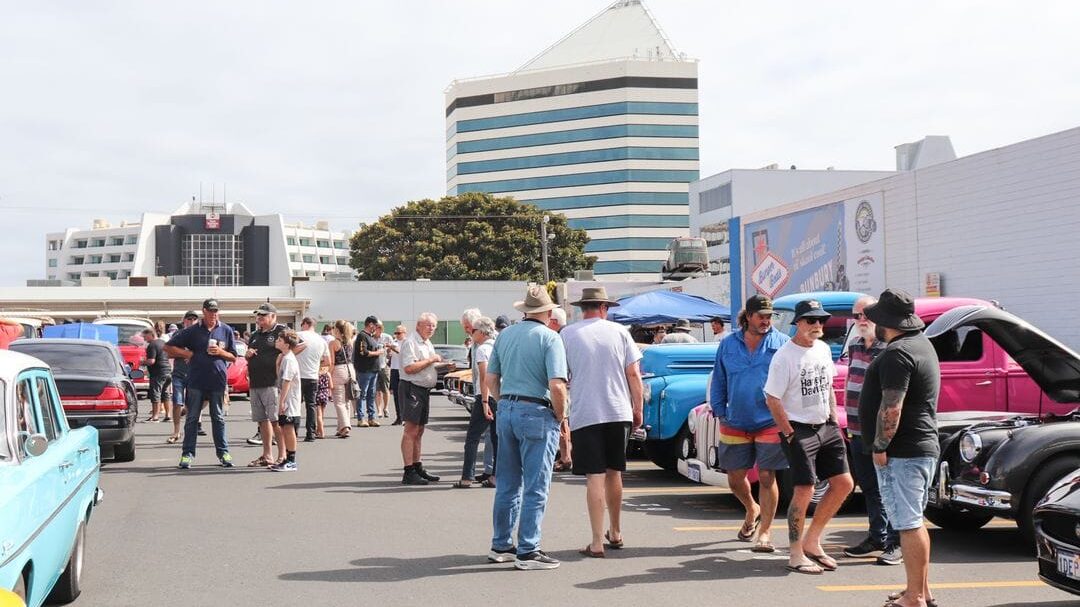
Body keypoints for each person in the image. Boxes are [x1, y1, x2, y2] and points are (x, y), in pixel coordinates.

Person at [861, 289, 941, 607]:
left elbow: (892, 407)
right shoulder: (922, 344)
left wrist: (881, 444)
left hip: (904, 451)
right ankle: (921, 590)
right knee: (914, 521)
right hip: (919, 447)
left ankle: (914, 596)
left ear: (888, 322)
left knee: (908, 523)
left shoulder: (898, 353)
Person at [764, 299, 854, 575]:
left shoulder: (824, 349)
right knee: (805, 489)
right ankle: (795, 553)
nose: (817, 325)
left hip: (825, 424)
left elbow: (828, 386)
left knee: (844, 484)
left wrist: (831, 416)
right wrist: (789, 432)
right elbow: (772, 398)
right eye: (811, 320)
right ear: (798, 323)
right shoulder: (784, 356)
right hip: (798, 428)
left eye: (821, 320)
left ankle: (812, 541)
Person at [485, 285, 568, 570]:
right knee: (536, 484)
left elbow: (491, 377)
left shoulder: (505, 335)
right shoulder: (550, 337)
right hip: (536, 410)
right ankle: (528, 549)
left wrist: (503, 402)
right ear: (547, 312)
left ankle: (501, 544)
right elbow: (557, 385)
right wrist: (560, 415)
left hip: (507, 407)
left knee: (507, 482)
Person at [561, 287, 644, 558]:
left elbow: (561, 375)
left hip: (586, 412)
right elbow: (633, 373)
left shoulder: (567, 334)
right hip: (617, 410)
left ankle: (597, 541)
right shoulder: (620, 332)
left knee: (594, 477)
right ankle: (616, 531)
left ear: (582, 308)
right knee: (614, 472)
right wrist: (638, 407)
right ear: (604, 307)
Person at [709, 295, 791, 553]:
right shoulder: (728, 344)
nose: (766, 321)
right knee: (735, 477)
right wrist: (720, 410)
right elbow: (719, 378)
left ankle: (765, 532)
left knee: (767, 476)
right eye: (761, 316)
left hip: (769, 421)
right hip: (734, 420)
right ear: (748, 317)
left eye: (770, 316)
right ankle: (751, 508)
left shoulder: (782, 343)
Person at [841, 296, 901, 565]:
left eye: (867, 315)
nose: (862, 320)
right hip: (855, 428)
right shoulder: (855, 345)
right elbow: (850, 383)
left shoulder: (888, 348)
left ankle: (896, 542)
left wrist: (884, 436)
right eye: (857, 316)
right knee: (868, 486)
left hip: (880, 431)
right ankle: (877, 536)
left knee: (889, 486)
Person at [165, 298, 239, 469]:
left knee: (218, 418)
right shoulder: (193, 331)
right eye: (210, 311)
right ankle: (187, 454)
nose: (213, 314)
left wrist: (221, 352)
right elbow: (168, 347)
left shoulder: (226, 330)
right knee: (191, 418)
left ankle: (223, 453)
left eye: (216, 311)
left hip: (217, 381)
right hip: (196, 381)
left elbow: (234, 356)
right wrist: (187, 354)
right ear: (204, 311)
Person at [399, 313, 444, 485]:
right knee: (411, 430)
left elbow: (426, 366)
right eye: (428, 325)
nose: (431, 328)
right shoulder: (411, 342)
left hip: (423, 389)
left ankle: (417, 466)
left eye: (434, 326)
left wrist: (441, 366)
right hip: (412, 388)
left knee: (419, 431)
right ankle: (408, 470)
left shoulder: (426, 342)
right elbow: (409, 368)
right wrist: (432, 359)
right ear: (418, 325)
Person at [454, 316, 498, 488]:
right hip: (500, 396)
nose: (471, 334)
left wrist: (485, 402)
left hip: (485, 396)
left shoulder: (482, 350)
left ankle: (467, 477)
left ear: (481, 332)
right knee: (497, 438)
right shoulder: (499, 346)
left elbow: (485, 376)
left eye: (473, 331)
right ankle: (495, 476)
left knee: (472, 438)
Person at [245, 303, 286, 466]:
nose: (259, 318)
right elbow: (250, 353)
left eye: (263, 315)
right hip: (255, 382)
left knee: (275, 420)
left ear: (273, 316)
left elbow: (300, 345)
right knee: (262, 421)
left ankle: (282, 455)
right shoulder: (255, 335)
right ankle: (267, 455)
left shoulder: (280, 331)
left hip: (272, 383)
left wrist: (284, 356)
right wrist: (247, 355)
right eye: (258, 315)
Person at [270, 329, 302, 472]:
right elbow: (280, 378)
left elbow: (287, 381)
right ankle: (287, 459)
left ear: (287, 344)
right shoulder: (284, 358)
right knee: (283, 428)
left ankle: (291, 460)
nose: (277, 341)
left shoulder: (289, 359)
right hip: (286, 399)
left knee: (289, 429)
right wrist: (277, 364)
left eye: (280, 340)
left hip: (290, 400)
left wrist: (282, 401)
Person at [166, 311, 199, 444]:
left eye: (194, 319)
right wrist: (184, 354)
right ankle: (176, 431)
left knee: (201, 400)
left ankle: (187, 413)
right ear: (184, 321)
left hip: (195, 374)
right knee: (176, 401)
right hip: (179, 373)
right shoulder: (178, 334)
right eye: (189, 319)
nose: (191, 321)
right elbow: (168, 352)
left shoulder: (201, 334)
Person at [295, 317, 330, 441]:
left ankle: (294, 432)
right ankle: (311, 433)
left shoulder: (298, 335)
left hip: (297, 375)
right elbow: (327, 361)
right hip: (312, 376)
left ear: (305, 324)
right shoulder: (321, 340)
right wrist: (317, 366)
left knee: (295, 405)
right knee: (311, 405)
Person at [353, 315, 384, 427]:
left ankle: (371, 417)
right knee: (362, 393)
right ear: (370, 324)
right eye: (376, 325)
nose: (377, 328)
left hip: (373, 369)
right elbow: (364, 352)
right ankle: (361, 418)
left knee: (371, 394)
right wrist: (378, 352)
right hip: (365, 370)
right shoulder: (362, 336)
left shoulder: (371, 336)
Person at [329, 320, 355, 438]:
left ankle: (344, 426)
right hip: (350, 369)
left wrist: (328, 374)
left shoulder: (333, 343)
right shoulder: (350, 341)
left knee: (339, 401)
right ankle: (341, 427)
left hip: (339, 370)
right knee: (347, 400)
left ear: (337, 330)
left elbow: (332, 362)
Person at [142, 327, 172, 423]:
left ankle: (155, 416)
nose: (144, 339)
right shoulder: (163, 342)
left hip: (158, 372)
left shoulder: (152, 345)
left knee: (156, 393)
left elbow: (151, 361)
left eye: (145, 336)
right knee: (165, 394)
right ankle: (168, 415)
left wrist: (142, 362)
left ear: (151, 334)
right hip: (168, 371)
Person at [375, 321, 393, 419]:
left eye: (378, 327)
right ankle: (379, 410)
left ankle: (386, 408)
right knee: (377, 390)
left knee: (385, 389)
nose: (376, 329)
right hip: (374, 366)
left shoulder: (387, 337)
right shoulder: (371, 338)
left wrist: (388, 349)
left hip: (384, 365)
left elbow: (391, 352)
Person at [389, 325, 406, 425]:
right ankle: (399, 416)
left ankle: (405, 417)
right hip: (394, 369)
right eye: (396, 333)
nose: (397, 335)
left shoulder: (406, 343)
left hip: (403, 370)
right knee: (396, 394)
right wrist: (388, 350)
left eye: (399, 333)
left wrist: (393, 348)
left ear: (404, 333)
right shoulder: (394, 342)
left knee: (404, 394)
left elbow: (401, 353)